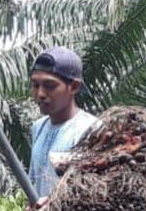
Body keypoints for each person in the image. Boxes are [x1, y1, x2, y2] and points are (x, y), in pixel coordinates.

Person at [28, 46, 96, 201]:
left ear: (74, 87)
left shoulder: (90, 130)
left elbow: (93, 196)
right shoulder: (38, 127)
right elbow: (33, 185)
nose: (40, 94)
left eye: (50, 86)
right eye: (35, 85)